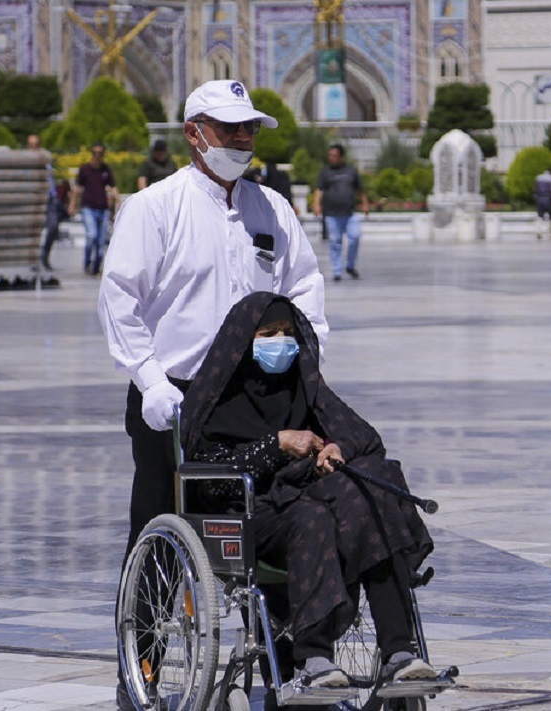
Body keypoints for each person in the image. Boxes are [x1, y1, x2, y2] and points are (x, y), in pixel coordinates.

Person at [98, 79, 328, 707]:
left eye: (249, 129)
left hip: (256, 398)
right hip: (173, 398)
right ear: (194, 132)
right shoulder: (154, 208)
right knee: (161, 533)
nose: (244, 140)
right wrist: (148, 379)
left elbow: (303, 288)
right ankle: (138, 671)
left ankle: (291, 667)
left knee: (276, 521)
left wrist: (306, 361)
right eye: (230, 129)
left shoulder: (270, 209)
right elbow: (121, 300)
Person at [180, 292, 437, 689]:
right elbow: (210, 475)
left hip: (302, 496)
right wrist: (276, 445)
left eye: (287, 333)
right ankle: (314, 657)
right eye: (268, 334)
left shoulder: (305, 386)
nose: (280, 343)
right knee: (311, 517)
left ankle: (397, 649)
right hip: (250, 511)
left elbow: (365, 438)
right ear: (244, 343)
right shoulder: (218, 400)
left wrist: (337, 448)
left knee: (368, 493)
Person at [314, 144, 369, 281]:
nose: (331, 158)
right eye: (330, 155)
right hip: (332, 214)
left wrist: (365, 203)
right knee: (335, 242)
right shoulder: (325, 172)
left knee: (355, 237)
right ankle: (337, 270)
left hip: (349, 213)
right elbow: (319, 189)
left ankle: (350, 265)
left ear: (341, 157)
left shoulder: (351, 171)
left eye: (334, 155)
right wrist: (316, 204)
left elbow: (360, 189)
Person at [70, 142, 117, 275]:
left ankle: (96, 267)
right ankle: (87, 263)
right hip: (88, 207)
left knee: (101, 241)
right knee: (92, 236)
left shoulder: (106, 170)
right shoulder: (85, 169)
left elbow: (113, 187)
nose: (98, 156)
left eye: (100, 153)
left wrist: (119, 202)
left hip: (102, 208)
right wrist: (72, 204)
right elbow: (78, 188)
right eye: (95, 153)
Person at [29, 134, 70, 271]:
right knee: (33, 231)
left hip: (50, 200)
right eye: (31, 145)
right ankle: (33, 260)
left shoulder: (46, 163)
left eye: (36, 145)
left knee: (53, 227)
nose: (34, 148)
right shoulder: (26, 164)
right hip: (34, 200)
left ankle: (45, 255)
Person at [533, 168, 551, 238]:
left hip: (540, 199)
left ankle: (539, 231)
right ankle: (550, 232)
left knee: (540, 215)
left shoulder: (538, 178)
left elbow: (535, 191)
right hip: (548, 199)